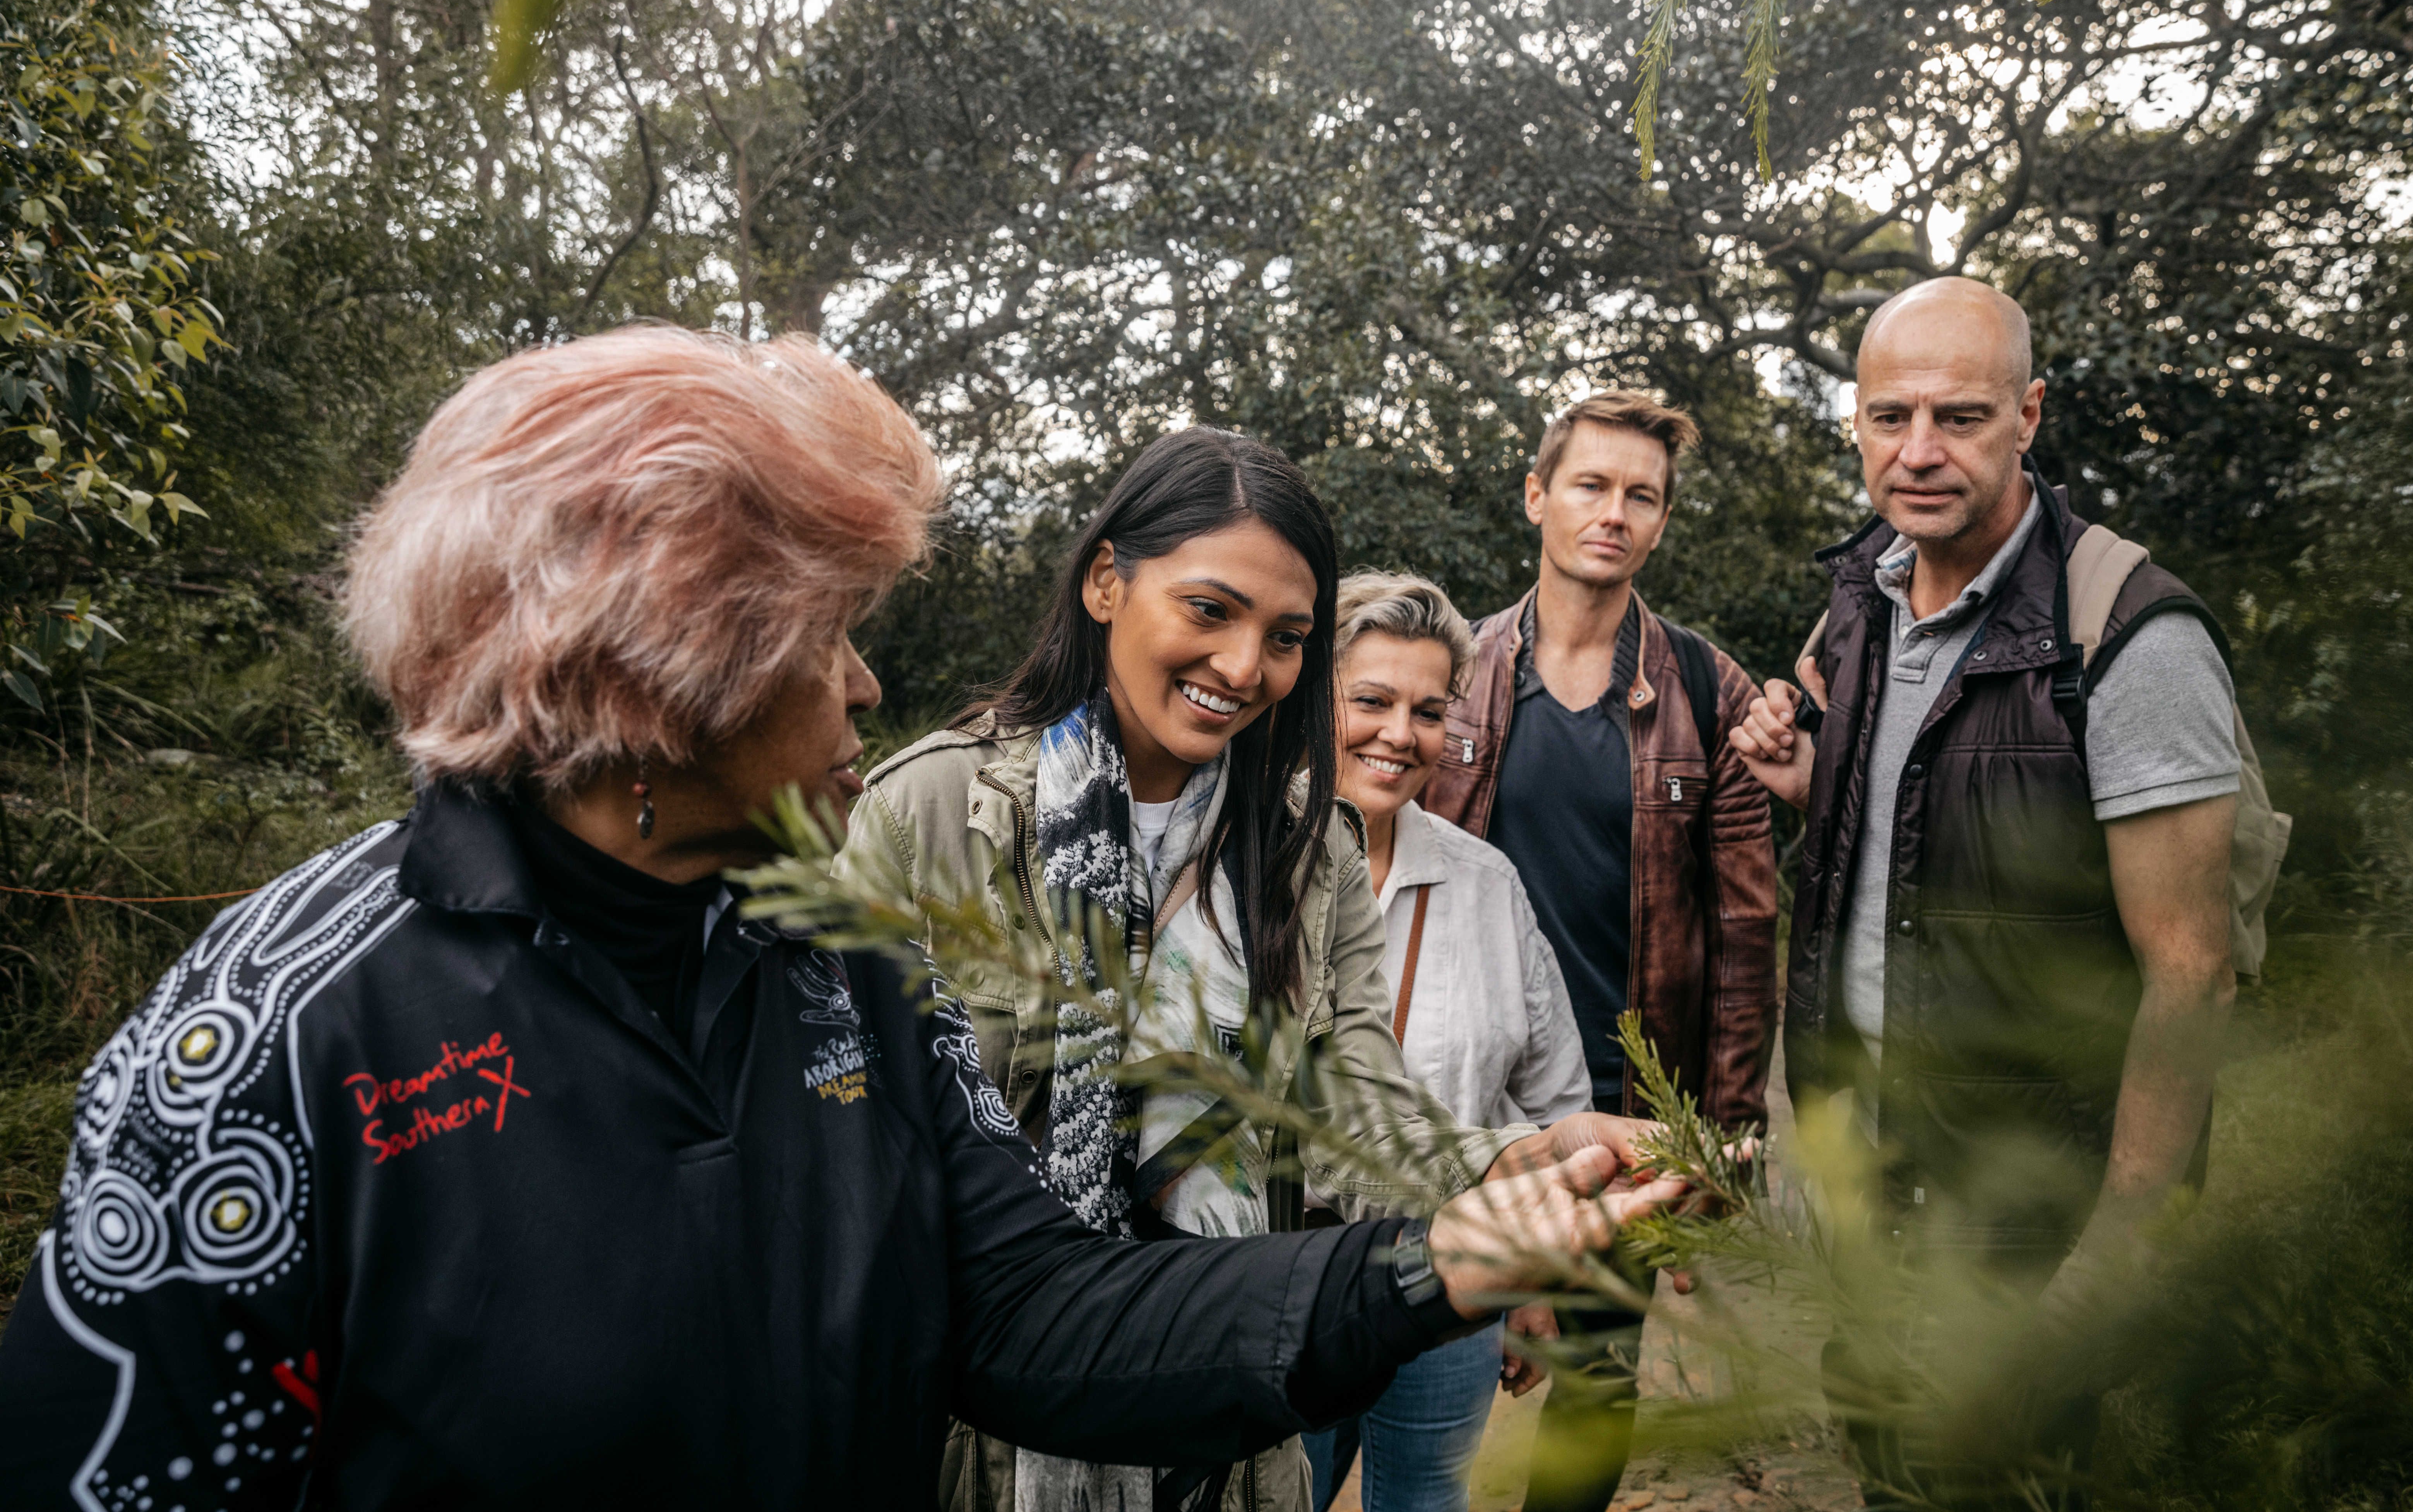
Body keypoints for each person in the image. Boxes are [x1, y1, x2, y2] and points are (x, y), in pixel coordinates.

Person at [0, 328, 1690, 1512]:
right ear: (663, 664)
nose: (869, 685)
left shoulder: (841, 962)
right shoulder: (281, 1035)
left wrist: (1440, 1257)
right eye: (826, 639)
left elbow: (1030, 1308)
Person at [841, 428, 1655, 1512]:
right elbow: (856, 1157)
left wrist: (1528, 1154)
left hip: (1223, 1428)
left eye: (1285, 638)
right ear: (1104, 581)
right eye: (1209, 609)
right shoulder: (932, 811)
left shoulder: (1308, 854)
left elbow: (1356, 1108)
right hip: (979, 1440)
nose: (1243, 667)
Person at [1728, 277, 2242, 1507]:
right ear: (1855, 420)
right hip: (1875, 1203)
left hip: (2030, 1229)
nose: (1918, 451)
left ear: (2029, 414)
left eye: (1958, 416)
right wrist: (1817, 787)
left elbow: (2192, 971)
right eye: (1888, 416)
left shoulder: (2128, 638)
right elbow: (1926, 848)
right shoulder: (1860, 602)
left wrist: (2111, 1257)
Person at [1421, 392, 1780, 1512]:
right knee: (1421, 1361)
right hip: (1464, 1091)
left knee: (1593, 1383)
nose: (1613, 512)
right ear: (1537, 496)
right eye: (1590, 484)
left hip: (1626, 1103)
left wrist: (1721, 1138)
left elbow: (1745, 935)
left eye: (1641, 495)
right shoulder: (1454, 674)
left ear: (1662, 521)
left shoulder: (1708, 689)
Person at [1297, 573, 1592, 1512]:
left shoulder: (1485, 882)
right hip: (1282, 1281)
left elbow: (1550, 1098)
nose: (1399, 733)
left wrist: (1531, 1278)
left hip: (1453, 1273)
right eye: (1371, 700)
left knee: (1426, 1498)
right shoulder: (1241, 866)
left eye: (1427, 711)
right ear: (1312, 700)